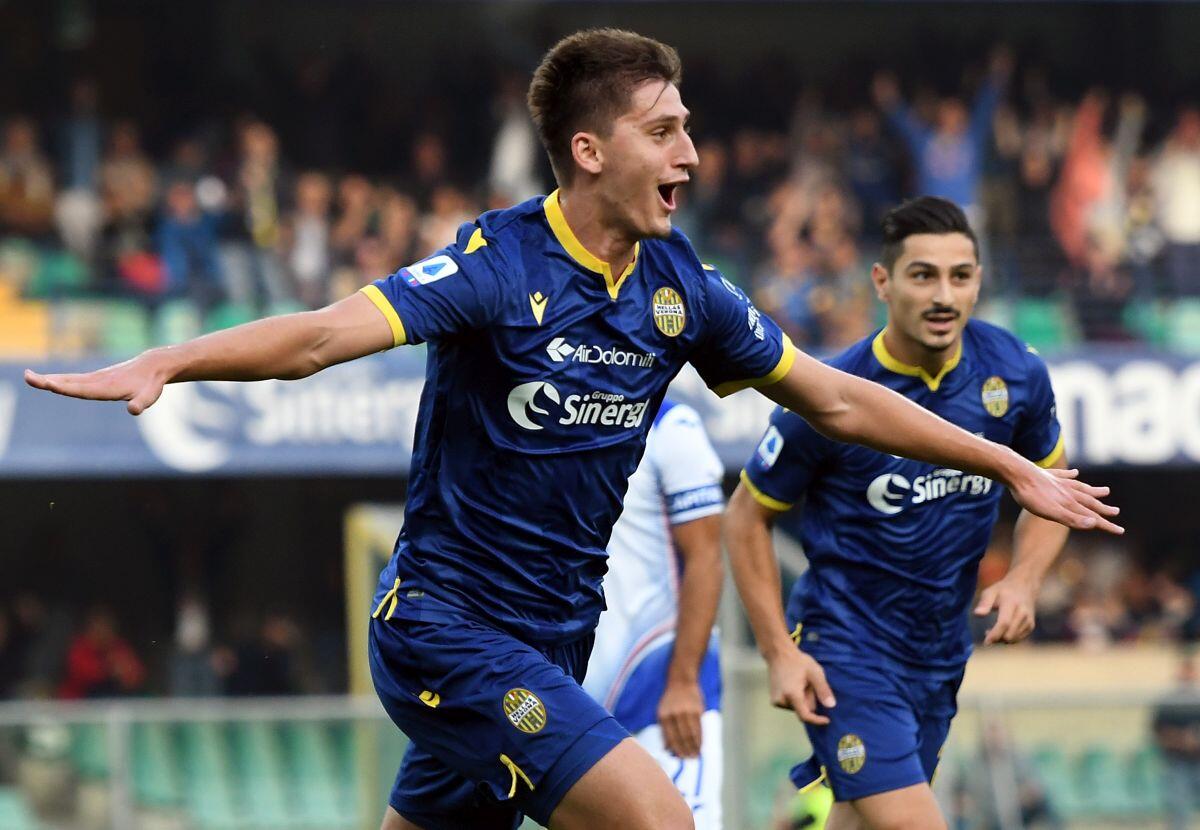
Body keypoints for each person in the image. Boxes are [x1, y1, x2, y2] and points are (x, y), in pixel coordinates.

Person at [25, 30, 1119, 830]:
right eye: (665, 129)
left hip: (559, 637)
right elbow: (319, 336)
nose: (692, 149)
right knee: (657, 818)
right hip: (447, 627)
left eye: (688, 124)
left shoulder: (681, 286)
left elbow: (831, 396)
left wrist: (1007, 462)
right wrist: (171, 355)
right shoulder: (496, 267)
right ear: (590, 151)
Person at [725, 196, 1095, 830]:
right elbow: (744, 517)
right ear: (882, 282)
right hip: (847, 649)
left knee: (859, 821)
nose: (943, 295)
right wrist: (777, 653)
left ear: (980, 280)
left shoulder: (1015, 375)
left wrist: (1025, 579)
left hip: (940, 655)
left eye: (961, 275)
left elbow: (1052, 489)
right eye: (922, 275)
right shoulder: (833, 393)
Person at [582, 398, 726, 828]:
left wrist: (683, 683)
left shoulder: (672, 424)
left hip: (660, 691)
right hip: (577, 693)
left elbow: (705, 557)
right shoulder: (560, 417)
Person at [1152, 651, 1200, 830]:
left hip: (1198, 760)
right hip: (1177, 761)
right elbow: (1159, 731)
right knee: (1178, 810)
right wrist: (1181, 740)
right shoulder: (1168, 702)